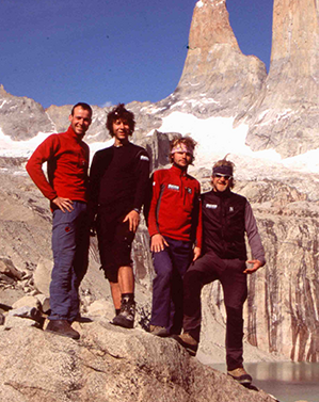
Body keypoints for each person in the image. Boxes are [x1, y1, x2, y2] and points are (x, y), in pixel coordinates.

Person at [174, 158, 266, 386]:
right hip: (211, 258)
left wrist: (259, 257)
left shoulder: (241, 203)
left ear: (231, 180)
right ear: (212, 178)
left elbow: (252, 231)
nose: (222, 180)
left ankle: (235, 365)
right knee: (191, 278)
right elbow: (188, 221)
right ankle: (191, 335)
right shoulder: (202, 200)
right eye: (218, 177)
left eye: (226, 177)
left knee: (234, 311)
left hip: (235, 262)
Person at [26, 102, 93, 340]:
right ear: (70, 117)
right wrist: (52, 196)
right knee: (64, 262)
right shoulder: (56, 140)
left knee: (80, 263)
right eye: (78, 118)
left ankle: (71, 313)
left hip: (83, 210)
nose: (81, 122)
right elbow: (32, 164)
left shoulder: (84, 148)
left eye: (86, 119)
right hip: (66, 209)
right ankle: (57, 319)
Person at [88, 104, 150, 328]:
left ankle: (128, 309)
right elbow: (92, 187)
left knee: (122, 256)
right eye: (117, 123)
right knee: (108, 264)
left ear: (130, 127)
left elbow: (142, 185)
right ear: (111, 127)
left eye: (125, 123)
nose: (122, 127)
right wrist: (90, 217)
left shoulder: (139, 153)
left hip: (126, 214)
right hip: (103, 215)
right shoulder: (101, 156)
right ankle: (118, 313)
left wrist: (136, 209)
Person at [146, 136, 202, 337]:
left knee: (180, 285)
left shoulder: (194, 185)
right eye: (180, 152)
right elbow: (150, 207)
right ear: (172, 154)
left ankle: (173, 331)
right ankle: (157, 323)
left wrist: (198, 244)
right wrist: (154, 234)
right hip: (162, 239)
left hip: (185, 244)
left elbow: (197, 218)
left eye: (187, 153)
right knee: (165, 273)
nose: (184, 156)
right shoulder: (160, 176)